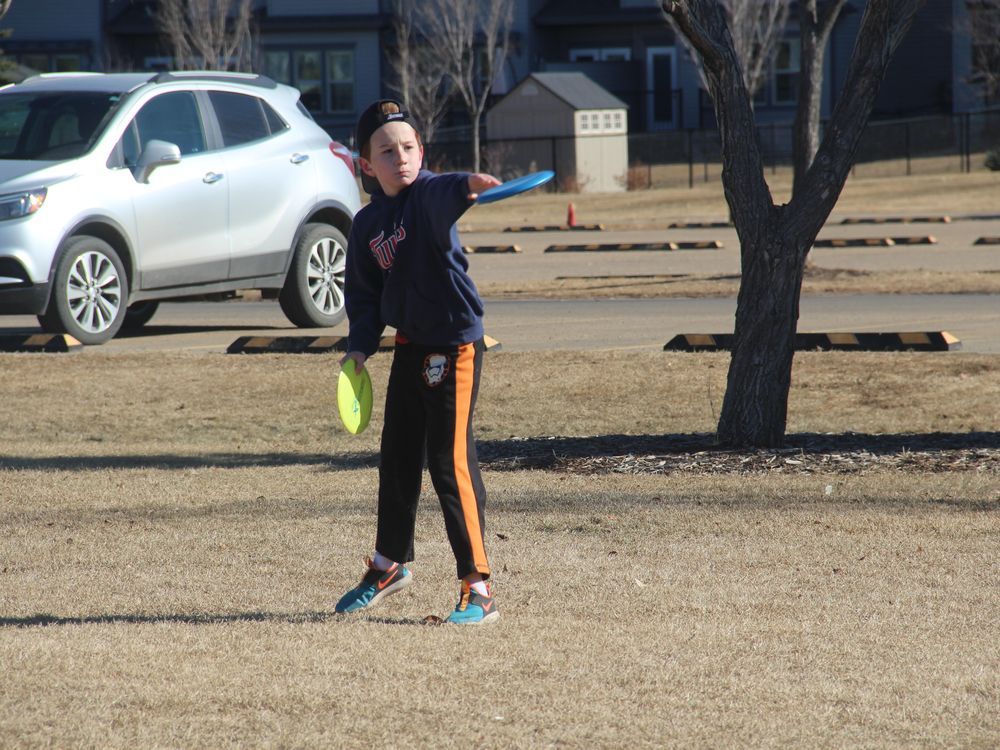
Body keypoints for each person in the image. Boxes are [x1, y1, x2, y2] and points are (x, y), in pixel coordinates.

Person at [334, 99, 502, 625]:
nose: (400, 157)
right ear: (367, 164)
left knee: (449, 464)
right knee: (398, 459)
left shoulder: (427, 195)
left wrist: (469, 184)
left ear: (421, 152)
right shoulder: (366, 225)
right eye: (387, 151)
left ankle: (478, 588)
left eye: (408, 147)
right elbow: (364, 297)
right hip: (409, 346)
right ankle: (388, 565)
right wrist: (358, 348)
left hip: (454, 346)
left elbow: (445, 191)